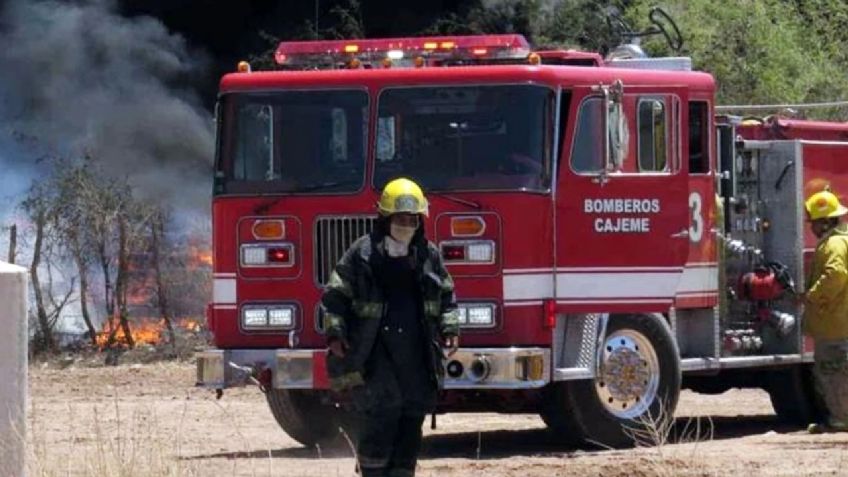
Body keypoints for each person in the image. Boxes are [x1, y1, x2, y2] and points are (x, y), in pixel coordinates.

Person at [321, 177, 460, 476]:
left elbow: (447, 297)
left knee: (412, 417)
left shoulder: (429, 256)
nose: (406, 225)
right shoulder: (362, 254)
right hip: (374, 352)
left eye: (412, 219)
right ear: (385, 218)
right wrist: (335, 333)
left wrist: (450, 330)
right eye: (400, 219)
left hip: (417, 354)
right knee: (382, 414)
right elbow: (335, 296)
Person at [802, 189, 848, 433]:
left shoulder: (834, 244)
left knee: (833, 372)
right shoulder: (840, 241)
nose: (811, 227)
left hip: (836, 324)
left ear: (825, 222)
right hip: (838, 323)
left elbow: (836, 274)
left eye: (814, 222)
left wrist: (812, 296)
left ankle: (841, 420)